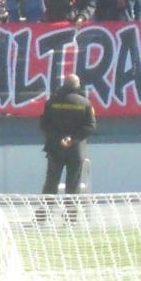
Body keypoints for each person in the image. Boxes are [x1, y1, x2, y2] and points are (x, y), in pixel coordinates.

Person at [39, 75, 96, 208]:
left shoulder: (52, 102)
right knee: (73, 185)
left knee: (51, 183)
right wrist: (73, 138)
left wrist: (58, 138)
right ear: (77, 85)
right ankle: (71, 215)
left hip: (55, 148)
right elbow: (90, 126)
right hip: (75, 150)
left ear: (64, 84)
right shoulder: (85, 103)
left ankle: (43, 214)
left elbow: (44, 124)